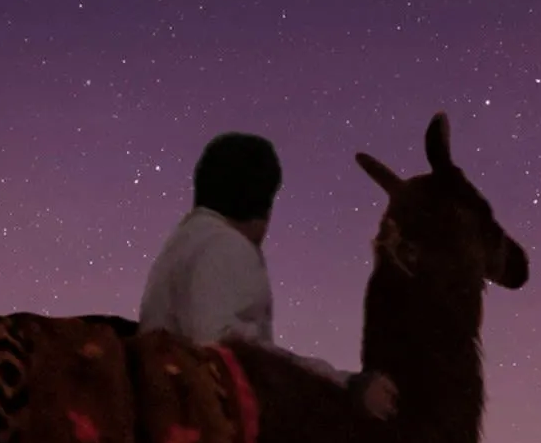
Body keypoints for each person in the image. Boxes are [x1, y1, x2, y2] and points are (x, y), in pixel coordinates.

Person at [138, 131, 397, 420]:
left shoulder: (181, 243)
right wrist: (346, 384)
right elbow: (241, 355)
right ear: (263, 205)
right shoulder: (229, 247)